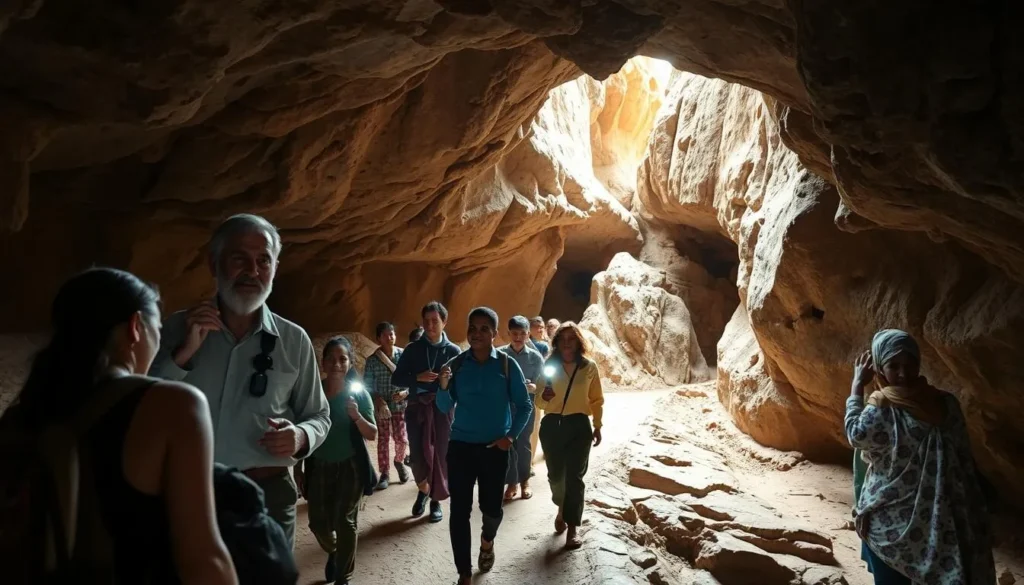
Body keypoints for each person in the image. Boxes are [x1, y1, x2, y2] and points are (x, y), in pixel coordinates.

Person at [15, 267, 237, 584]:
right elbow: (204, 559)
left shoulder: (24, 414)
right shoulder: (174, 406)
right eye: (156, 329)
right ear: (135, 327)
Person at [150, 214, 330, 547]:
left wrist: (301, 436)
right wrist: (183, 355)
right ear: (214, 263)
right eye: (239, 259)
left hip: (268, 497)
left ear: (275, 267)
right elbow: (149, 408)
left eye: (264, 260)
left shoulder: (294, 340)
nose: (252, 271)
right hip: (192, 492)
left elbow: (319, 415)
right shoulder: (176, 330)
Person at [846, 329, 995, 585]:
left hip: (906, 521)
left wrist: (857, 386)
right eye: (894, 365)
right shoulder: (943, 402)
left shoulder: (883, 405)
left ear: (919, 364)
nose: (903, 374)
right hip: (939, 520)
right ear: (881, 368)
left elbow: (855, 435)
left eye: (910, 364)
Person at [437, 307, 532, 585]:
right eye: (472, 328)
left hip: (494, 448)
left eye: (484, 329)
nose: (476, 334)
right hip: (462, 446)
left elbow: (525, 405)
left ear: (494, 334)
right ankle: (464, 573)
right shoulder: (457, 365)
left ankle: (487, 541)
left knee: (492, 509)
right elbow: (444, 407)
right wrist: (443, 386)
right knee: (459, 511)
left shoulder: (505, 364)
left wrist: (510, 438)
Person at [294, 337, 376, 585]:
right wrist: (298, 468)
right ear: (323, 362)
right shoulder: (314, 393)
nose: (337, 364)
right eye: (331, 358)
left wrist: (356, 416)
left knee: (345, 520)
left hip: (351, 465)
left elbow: (372, 433)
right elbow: (302, 430)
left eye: (343, 359)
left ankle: (343, 576)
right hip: (319, 466)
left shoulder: (357, 395)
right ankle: (335, 551)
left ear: (350, 363)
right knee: (318, 523)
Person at [391, 301, 462, 523]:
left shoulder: (453, 351)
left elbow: (459, 385)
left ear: (444, 322)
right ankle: (423, 489)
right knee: (419, 454)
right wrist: (416, 378)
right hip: (417, 408)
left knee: (440, 455)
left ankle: (435, 500)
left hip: (442, 409)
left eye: (435, 321)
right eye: (426, 321)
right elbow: (397, 378)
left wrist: (445, 383)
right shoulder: (413, 349)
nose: (430, 325)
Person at [537, 321, 604, 550]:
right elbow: (538, 401)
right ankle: (561, 507)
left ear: (578, 341)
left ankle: (573, 527)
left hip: (578, 426)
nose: (567, 343)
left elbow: (596, 398)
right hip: (552, 425)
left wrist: (597, 424)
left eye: (571, 338)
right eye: (562, 339)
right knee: (556, 477)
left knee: (574, 477)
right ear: (556, 343)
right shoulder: (550, 366)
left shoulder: (589, 367)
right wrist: (545, 395)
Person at [497, 315, 544, 501]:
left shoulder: (535, 357)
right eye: (514, 333)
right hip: (505, 407)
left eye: (523, 333)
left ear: (528, 335)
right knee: (508, 443)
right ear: (508, 333)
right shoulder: (500, 355)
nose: (518, 337)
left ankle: (525, 481)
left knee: (523, 443)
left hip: (526, 406)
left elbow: (544, 383)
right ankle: (511, 483)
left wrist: (534, 388)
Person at [364, 322, 410, 489]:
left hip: (400, 405)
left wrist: (405, 393)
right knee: (383, 440)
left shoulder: (404, 356)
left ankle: (399, 461)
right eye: (385, 335)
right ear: (378, 339)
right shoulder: (373, 361)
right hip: (382, 407)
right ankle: (384, 473)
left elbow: (412, 379)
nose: (390, 337)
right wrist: (377, 399)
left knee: (402, 439)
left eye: (392, 334)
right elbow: (367, 385)